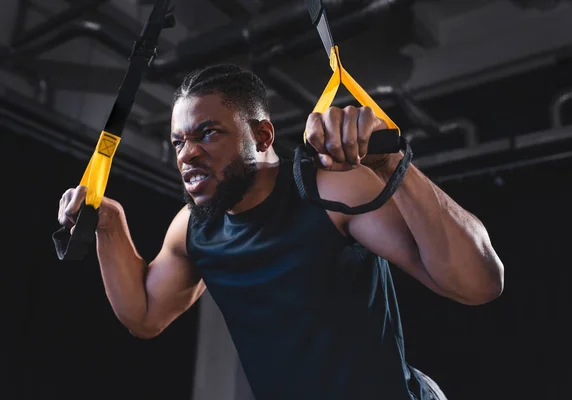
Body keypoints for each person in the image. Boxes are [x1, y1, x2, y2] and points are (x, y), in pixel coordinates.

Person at [57, 64, 504, 400]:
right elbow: (146, 315)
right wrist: (109, 226)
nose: (187, 154)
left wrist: (392, 166)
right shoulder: (196, 227)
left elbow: (478, 283)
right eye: (178, 142)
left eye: (208, 134)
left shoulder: (330, 189)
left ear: (264, 136)